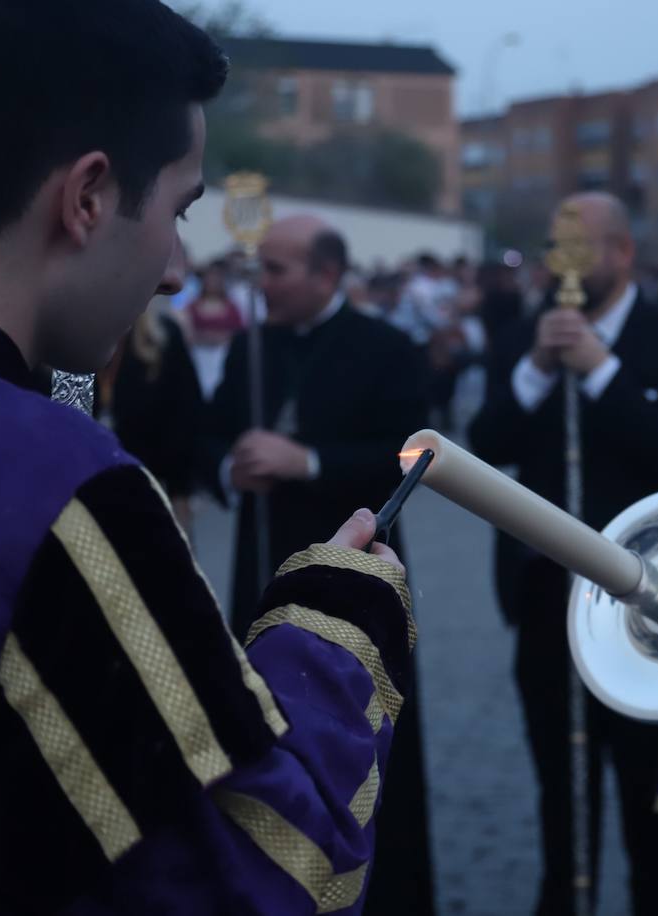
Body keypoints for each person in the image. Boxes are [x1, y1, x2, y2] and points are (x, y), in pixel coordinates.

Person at [0, 2, 417, 913]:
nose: (176, 266)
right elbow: (259, 882)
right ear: (88, 196)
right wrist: (331, 625)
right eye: (177, 210)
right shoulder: (57, 489)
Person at [469, 190, 658, 916]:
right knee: (561, 789)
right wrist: (542, 369)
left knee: (651, 802)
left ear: (622, 253)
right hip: (549, 600)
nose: (563, 263)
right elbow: (487, 446)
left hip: (651, 605)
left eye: (580, 246)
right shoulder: (521, 338)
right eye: (555, 246)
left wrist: (602, 370)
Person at [204, 214, 434, 916]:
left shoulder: (388, 347)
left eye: (276, 270)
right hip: (264, 570)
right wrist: (229, 467)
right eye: (259, 269)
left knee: (367, 745)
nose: (260, 285)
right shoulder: (252, 348)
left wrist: (307, 462)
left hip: (359, 580)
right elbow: (212, 435)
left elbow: (414, 460)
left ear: (327, 275)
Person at [97, 304, 204, 527]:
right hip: (77, 512)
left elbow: (184, 430)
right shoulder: (59, 347)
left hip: (147, 503)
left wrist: (181, 511)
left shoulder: (164, 338)